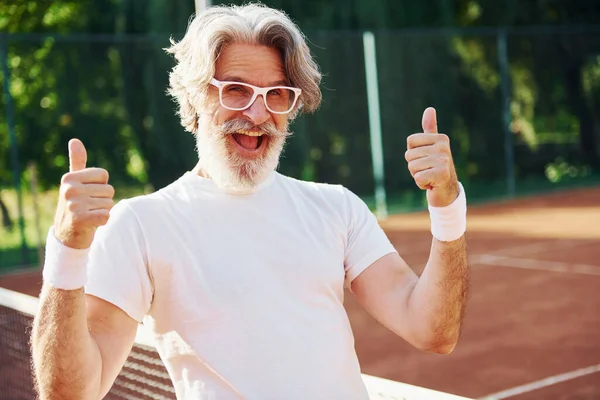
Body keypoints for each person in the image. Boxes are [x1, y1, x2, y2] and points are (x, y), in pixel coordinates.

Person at [31, 3, 469, 400]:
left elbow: (433, 329)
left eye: (276, 94)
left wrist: (447, 208)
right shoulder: (142, 224)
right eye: (235, 90)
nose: (258, 115)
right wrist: (68, 248)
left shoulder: (336, 207)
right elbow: (71, 393)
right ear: (195, 98)